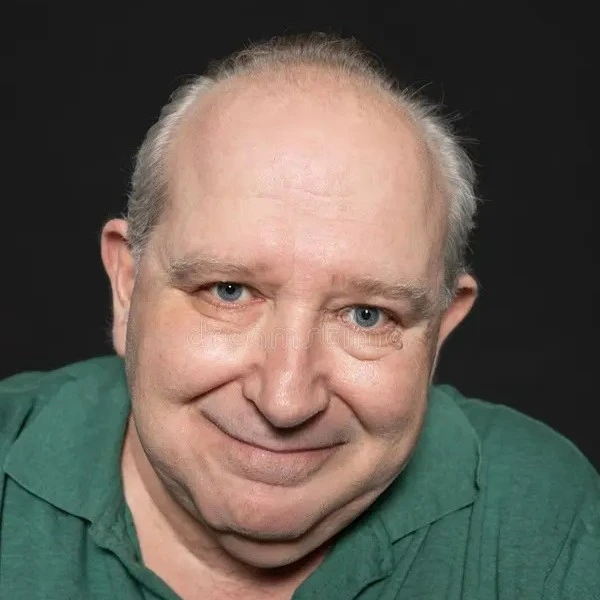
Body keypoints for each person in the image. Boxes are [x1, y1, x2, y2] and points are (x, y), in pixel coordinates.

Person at [0, 33, 598, 600]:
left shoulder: (547, 524)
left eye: (366, 315)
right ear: (127, 287)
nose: (285, 401)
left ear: (440, 330)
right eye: (229, 291)